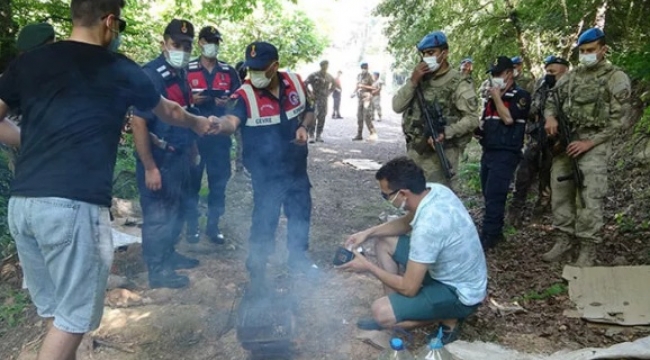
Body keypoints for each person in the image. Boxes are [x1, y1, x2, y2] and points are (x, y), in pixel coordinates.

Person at [0, 1, 213, 358]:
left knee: (58, 313)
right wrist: (198, 123)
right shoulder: (119, 68)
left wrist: (35, 138)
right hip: (72, 206)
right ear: (110, 21)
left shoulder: (30, 62)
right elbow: (170, 111)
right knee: (74, 319)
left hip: (23, 208)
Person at [340, 157, 487, 343]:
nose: (385, 198)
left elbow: (410, 289)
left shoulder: (428, 227)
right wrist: (368, 233)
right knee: (383, 241)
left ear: (403, 194)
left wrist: (367, 266)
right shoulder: (435, 190)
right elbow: (406, 222)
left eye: (385, 195)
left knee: (381, 313)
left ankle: (450, 317)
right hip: (449, 272)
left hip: (460, 292)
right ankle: (399, 308)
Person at [212, 41, 318, 284]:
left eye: (260, 68)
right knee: (265, 216)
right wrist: (220, 125)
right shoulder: (244, 95)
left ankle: (298, 257)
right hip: (265, 172)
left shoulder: (296, 83)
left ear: (275, 66)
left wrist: (303, 127)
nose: (254, 74)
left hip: (296, 166)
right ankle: (258, 264)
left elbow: (310, 109)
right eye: (251, 69)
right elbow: (232, 120)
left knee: (301, 212)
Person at [542, 28, 631, 266]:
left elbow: (619, 120)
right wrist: (550, 118)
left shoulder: (615, 78)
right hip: (567, 142)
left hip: (595, 143)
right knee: (560, 189)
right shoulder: (572, 76)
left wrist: (589, 143)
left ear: (603, 50)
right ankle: (564, 238)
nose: (586, 55)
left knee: (589, 195)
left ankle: (587, 247)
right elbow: (552, 99)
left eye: (590, 50)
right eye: (582, 51)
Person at [131, 19, 203, 289]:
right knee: (158, 217)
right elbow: (139, 123)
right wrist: (150, 167)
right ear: (163, 44)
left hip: (180, 156)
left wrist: (193, 146)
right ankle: (157, 270)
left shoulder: (181, 74)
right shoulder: (151, 75)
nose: (182, 50)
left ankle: (170, 254)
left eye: (187, 46)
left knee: (177, 210)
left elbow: (185, 115)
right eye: (176, 44)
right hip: (159, 159)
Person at [392, 31, 479, 190]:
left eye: (431, 53)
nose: (427, 57)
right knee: (414, 201)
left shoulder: (458, 83)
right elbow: (397, 106)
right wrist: (413, 81)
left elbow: (472, 119)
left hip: (441, 155)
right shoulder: (418, 78)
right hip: (416, 152)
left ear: (444, 53)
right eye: (424, 53)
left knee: (438, 202)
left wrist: (446, 132)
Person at [185, 25, 241, 244]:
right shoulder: (187, 69)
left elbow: (240, 103)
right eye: (208, 41)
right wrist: (192, 100)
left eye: (216, 42)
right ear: (200, 43)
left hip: (219, 138)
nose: (212, 45)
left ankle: (213, 226)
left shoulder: (228, 72)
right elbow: (175, 101)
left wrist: (227, 104)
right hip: (194, 138)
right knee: (192, 184)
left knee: (219, 184)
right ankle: (191, 228)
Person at [475, 56, 531, 249]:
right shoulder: (491, 100)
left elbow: (508, 119)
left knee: (495, 194)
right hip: (489, 151)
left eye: (498, 74)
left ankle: (489, 237)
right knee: (488, 194)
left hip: (506, 153)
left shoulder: (520, 96)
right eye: (492, 74)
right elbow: (487, 122)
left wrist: (497, 97)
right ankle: (495, 232)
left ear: (509, 73)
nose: (494, 78)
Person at [507, 56, 570, 228]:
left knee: (547, 179)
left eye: (553, 72)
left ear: (565, 70)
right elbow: (532, 108)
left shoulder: (571, 87)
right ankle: (515, 212)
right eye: (547, 71)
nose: (549, 75)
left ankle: (539, 214)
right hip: (536, 138)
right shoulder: (541, 85)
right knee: (523, 175)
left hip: (557, 142)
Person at [304, 60, 335, 142]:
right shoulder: (314, 75)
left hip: (324, 99)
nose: (325, 67)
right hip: (315, 99)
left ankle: (319, 135)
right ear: (321, 66)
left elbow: (334, 85)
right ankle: (311, 135)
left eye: (327, 65)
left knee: (322, 117)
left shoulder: (329, 76)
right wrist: (309, 93)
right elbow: (305, 84)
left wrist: (329, 92)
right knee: (313, 117)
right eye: (324, 65)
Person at [353, 62, 377, 141]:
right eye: (363, 68)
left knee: (367, 116)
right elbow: (357, 85)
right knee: (359, 116)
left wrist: (363, 86)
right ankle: (359, 135)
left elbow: (374, 88)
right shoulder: (359, 76)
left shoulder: (370, 76)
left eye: (365, 68)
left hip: (367, 97)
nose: (364, 69)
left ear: (367, 68)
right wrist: (353, 92)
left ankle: (373, 134)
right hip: (360, 98)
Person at [234, 61, 247, 174]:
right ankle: (239, 167)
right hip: (236, 119)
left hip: (247, 119)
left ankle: (243, 166)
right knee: (241, 143)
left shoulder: (248, 84)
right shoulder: (234, 84)